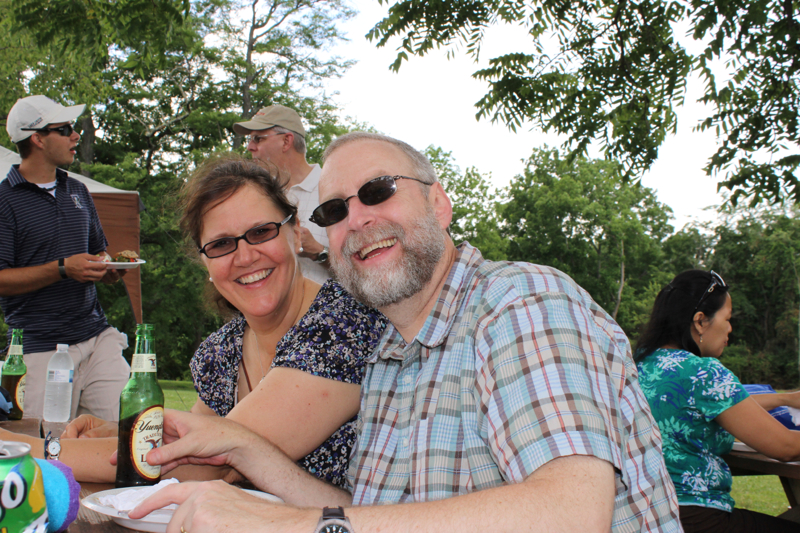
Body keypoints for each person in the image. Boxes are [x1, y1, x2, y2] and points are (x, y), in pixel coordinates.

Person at [132, 132, 681, 533]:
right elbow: (372, 518)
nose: (357, 219)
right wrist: (246, 450)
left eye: (378, 191)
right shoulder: (388, 356)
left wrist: (286, 525)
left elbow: (572, 514)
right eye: (333, 210)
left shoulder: (519, 301)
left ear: (438, 204)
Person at [0, 154, 385, 486]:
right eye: (221, 244)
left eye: (261, 232)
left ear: (296, 232)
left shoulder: (342, 326)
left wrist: (26, 448)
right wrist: (121, 432)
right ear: (205, 262)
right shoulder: (223, 350)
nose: (245, 257)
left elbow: (209, 460)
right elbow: (191, 432)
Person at [633, 269, 800, 533]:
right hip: (695, 518)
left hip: (643, 516)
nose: (730, 329)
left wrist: (785, 398)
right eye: (728, 319)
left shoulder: (638, 365)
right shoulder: (703, 373)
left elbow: (728, 405)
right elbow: (786, 447)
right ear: (700, 321)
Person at [0, 95, 130, 421]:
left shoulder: (78, 191)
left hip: (97, 337)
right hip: (40, 349)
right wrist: (62, 269)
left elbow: (98, 251)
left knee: (126, 433)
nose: (75, 136)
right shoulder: (4, 201)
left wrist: (107, 267)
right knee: (46, 444)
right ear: (37, 138)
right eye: (65, 129)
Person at [233, 104, 330, 284]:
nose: (249, 147)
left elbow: (366, 269)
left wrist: (318, 252)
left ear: (286, 141)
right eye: (250, 139)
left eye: (258, 139)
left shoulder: (334, 189)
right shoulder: (260, 196)